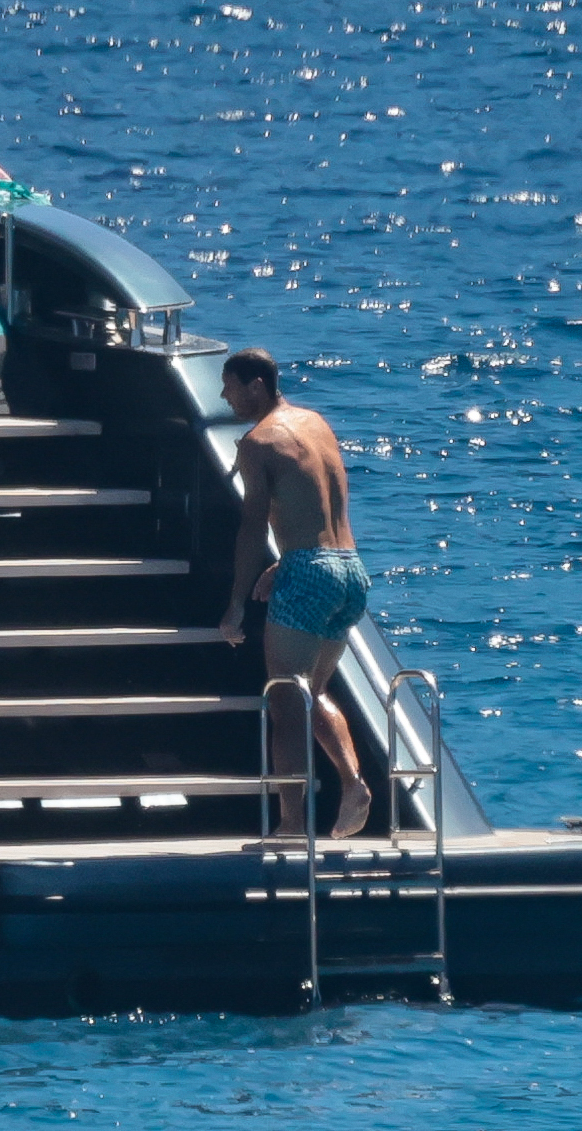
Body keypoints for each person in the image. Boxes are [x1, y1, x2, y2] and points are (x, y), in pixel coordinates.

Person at [218, 347, 374, 838]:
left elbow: (251, 526)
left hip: (309, 573)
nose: (224, 396)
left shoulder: (257, 443)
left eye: (230, 386)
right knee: (314, 693)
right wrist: (286, 563)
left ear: (256, 385)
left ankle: (292, 823)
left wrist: (236, 604)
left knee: (285, 702)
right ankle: (351, 785)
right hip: (350, 570)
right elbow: (318, 504)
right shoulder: (316, 425)